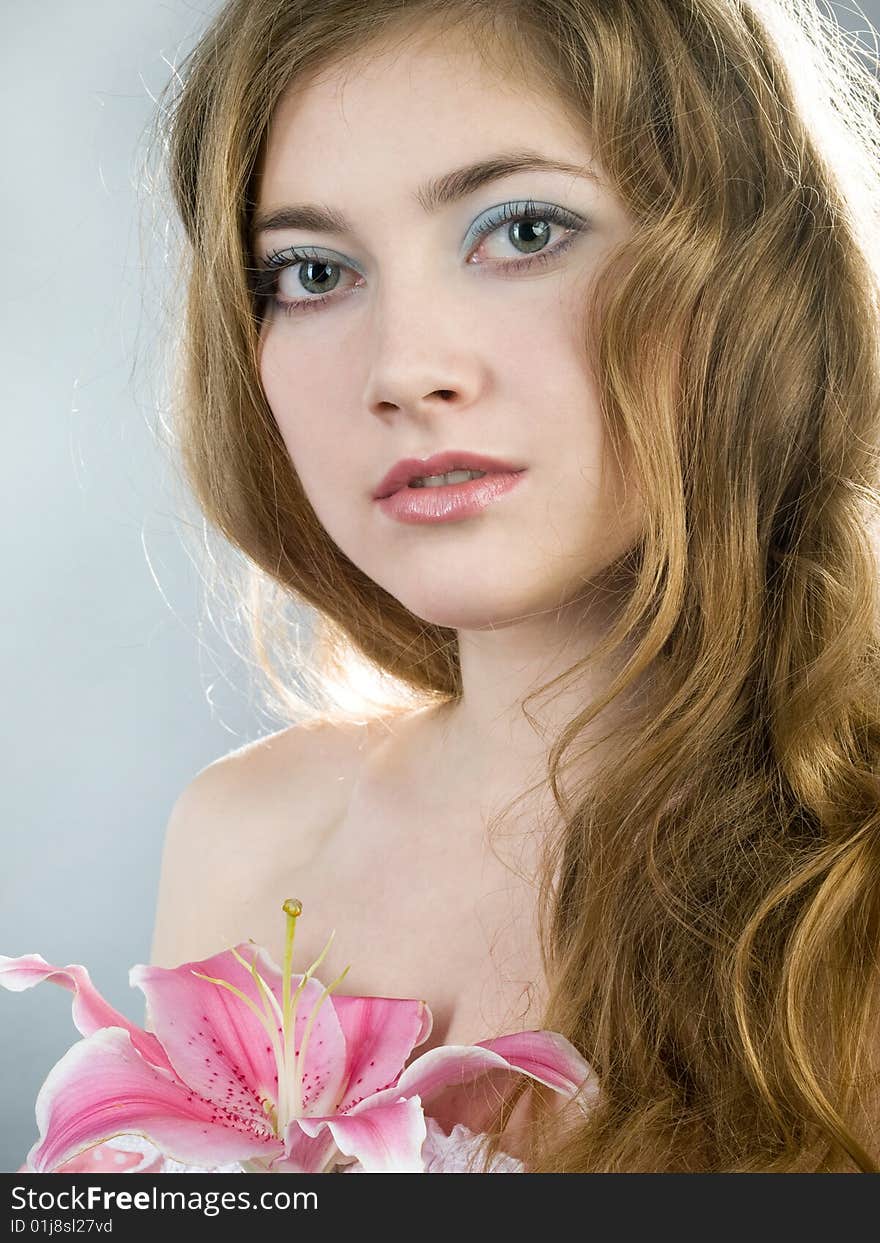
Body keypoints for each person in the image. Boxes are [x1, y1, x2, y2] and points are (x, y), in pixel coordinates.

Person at [144, 0, 880, 1173]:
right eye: (313, 271)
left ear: (753, 280)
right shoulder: (243, 843)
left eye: (524, 230)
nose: (404, 369)